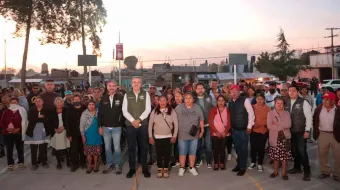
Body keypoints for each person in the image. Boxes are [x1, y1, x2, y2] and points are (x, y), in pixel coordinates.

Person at [122, 76, 152, 178]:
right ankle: (132, 169)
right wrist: (132, 121)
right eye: (134, 82)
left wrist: (139, 120)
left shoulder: (145, 94)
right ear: (131, 83)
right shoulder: (127, 94)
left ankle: (145, 169)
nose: (136, 84)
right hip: (130, 126)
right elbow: (124, 110)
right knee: (131, 148)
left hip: (143, 125)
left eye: (138, 82)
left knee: (144, 147)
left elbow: (148, 109)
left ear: (141, 84)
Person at [286, 86, 312, 181]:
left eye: (293, 91)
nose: (291, 92)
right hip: (290, 131)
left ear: (297, 92)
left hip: (301, 131)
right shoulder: (287, 102)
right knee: (293, 151)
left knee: (302, 151)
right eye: (290, 91)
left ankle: (307, 171)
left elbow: (309, 117)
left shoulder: (303, 102)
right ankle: (297, 167)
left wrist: (307, 130)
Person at [148, 95, 179, 178]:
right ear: (158, 102)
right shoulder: (154, 111)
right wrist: (150, 136)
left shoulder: (172, 111)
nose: (162, 102)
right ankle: (159, 168)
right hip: (157, 137)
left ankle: (165, 168)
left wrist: (174, 136)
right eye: (160, 100)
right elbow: (150, 124)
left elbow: (176, 124)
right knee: (158, 154)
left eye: (164, 100)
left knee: (167, 154)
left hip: (168, 136)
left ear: (167, 101)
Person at [98, 80, 124, 174]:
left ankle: (117, 165)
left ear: (116, 87)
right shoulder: (103, 98)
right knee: (107, 148)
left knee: (117, 148)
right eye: (110, 86)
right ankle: (109, 164)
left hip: (117, 128)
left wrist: (120, 122)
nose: (112, 87)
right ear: (107, 87)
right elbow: (100, 114)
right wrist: (100, 126)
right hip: (105, 128)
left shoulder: (121, 98)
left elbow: (124, 112)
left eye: (113, 86)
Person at [313, 92, 340, 182]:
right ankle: (325, 171)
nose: (324, 101)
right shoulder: (318, 109)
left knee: (338, 155)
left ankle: (337, 173)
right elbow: (314, 121)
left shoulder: (338, 110)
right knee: (322, 154)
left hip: (336, 134)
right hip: (322, 134)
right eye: (323, 99)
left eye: (326, 99)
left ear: (332, 101)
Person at [229, 85, 255, 176]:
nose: (235, 93)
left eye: (236, 91)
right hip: (234, 130)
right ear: (230, 93)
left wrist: (249, 127)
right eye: (232, 91)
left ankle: (242, 167)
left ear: (239, 92)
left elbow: (251, 114)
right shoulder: (230, 102)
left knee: (243, 149)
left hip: (243, 130)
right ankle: (239, 164)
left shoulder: (245, 100)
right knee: (237, 148)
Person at [175, 93, 204, 176]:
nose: (188, 100)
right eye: (186, 98)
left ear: (193, 99)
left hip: (194, 134)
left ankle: (191, 167)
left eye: (190, 98)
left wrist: (202, 130)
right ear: (184, 99)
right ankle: (182, 167)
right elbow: (174, 119)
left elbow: (201, 120)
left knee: (192, 151)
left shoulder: (197, 107)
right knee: (182, 152)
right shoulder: (179, 107)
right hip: (182, 134)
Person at [267, 97, 292, 180]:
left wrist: (276, 124)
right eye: (278, 103)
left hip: (284, 139)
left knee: (284, 158)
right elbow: (269, 126)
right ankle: (275, 172)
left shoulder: (287, 113)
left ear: (284, 105)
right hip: (275, 138)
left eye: (281, 103)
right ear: (274, 104)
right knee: (275, 157)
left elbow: (288, 125)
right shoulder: (270, 113)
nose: (279, 105)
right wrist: (281, 125)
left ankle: (284, 173)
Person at [0, 97, 27, 171]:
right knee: (9, 149)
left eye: (15, 102)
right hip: (7, 133)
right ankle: (10, 164)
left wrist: (19, 129)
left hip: (18, 133)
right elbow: (2, 123)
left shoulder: (22, 110)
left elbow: (25, 122)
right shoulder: (6, 111)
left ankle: (21, 162)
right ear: (10, 103)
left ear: (18, 103)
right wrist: (7, 129)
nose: (13, 104)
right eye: (12, 102)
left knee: (20, 148)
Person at [25, 96, 51, 170]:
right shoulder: (31, 110)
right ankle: (34, 164)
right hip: (33, 131)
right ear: (34, 102)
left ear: (42, 102)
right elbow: (30, 119)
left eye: (39, 101)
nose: (38, 102)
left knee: (43, 148)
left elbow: (49, 120)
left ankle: (44, 162)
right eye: (36, 101)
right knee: (33, 148)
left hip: (43, 131)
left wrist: (43, 118)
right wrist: (39, 117)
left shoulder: (47, 110)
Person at [248, 93, 271, 172]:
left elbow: (269, 120)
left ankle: (260, 163)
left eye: (261, 99)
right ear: (256, 99)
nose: (260, 101)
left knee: (261, 148)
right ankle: (253, 162)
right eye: (258, 99)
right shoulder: (252, 107)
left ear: (264, 100)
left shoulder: (268, 108)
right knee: (253, 147)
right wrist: (253, 124)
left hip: (263, 131)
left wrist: (261, 124)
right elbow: (249, 117)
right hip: (254, 131)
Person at [208, 95, 231, 170]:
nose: (221, 102)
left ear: (225, 101)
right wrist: (216, 132)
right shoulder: (213, 110)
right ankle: (216, 163)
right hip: (215, 133)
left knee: (222, 148)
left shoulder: (227, 110)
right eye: (219, 100)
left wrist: (225, 132)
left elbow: (229, 123)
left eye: (222, 100)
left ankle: (221, 163)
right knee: (215, 149)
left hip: (225, 133)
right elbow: (210, 122)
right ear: (217, 102)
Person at [194, 83, 214, 168]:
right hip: (197, 126)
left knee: (208, 145)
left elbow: (214, 109)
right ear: (196, 90)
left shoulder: (209, 98)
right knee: (198, 145)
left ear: (204, 89)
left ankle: (209, 161)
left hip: (208, 125)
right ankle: (199, 160)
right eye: (198, 88)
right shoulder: (193, 99)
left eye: (201, 88)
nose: (200, 90)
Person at [80, 100, 103, 174]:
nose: (91, 106)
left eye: (93, 104)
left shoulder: (99, 112)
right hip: (88, 134)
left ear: (95, 105)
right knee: (89, 152)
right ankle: (89, 165)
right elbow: (81, 125)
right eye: (89, 104)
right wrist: (83, 135)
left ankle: (95, 165)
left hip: (97, 134)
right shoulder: (84, 113)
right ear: (87, 106)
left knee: (96, 152)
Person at [67, 95, 86, 172]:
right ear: (73, 101)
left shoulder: (84, 108)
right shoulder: (69, 109)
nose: (76, 101)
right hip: (73, 133)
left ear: (80, 100)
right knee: (73, 150)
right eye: (75, 99)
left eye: (78, 99)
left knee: (82, 149)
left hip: (83, 133)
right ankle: (75, 165)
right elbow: (67, 122)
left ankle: (82, 163)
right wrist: (68, 134)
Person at [50, 97, 70, 169]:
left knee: (66, 147)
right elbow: (49, 122)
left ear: (63, 103)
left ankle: (68, 161)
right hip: (56, 132)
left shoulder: (66, 110)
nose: (59, 104)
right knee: (57, 148)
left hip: (65, 131)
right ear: (55, 104)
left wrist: (64, 127)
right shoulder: (52, 111)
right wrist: (55, 129)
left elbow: (69, 121)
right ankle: (58, 162)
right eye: (57, 102)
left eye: (60, 102)